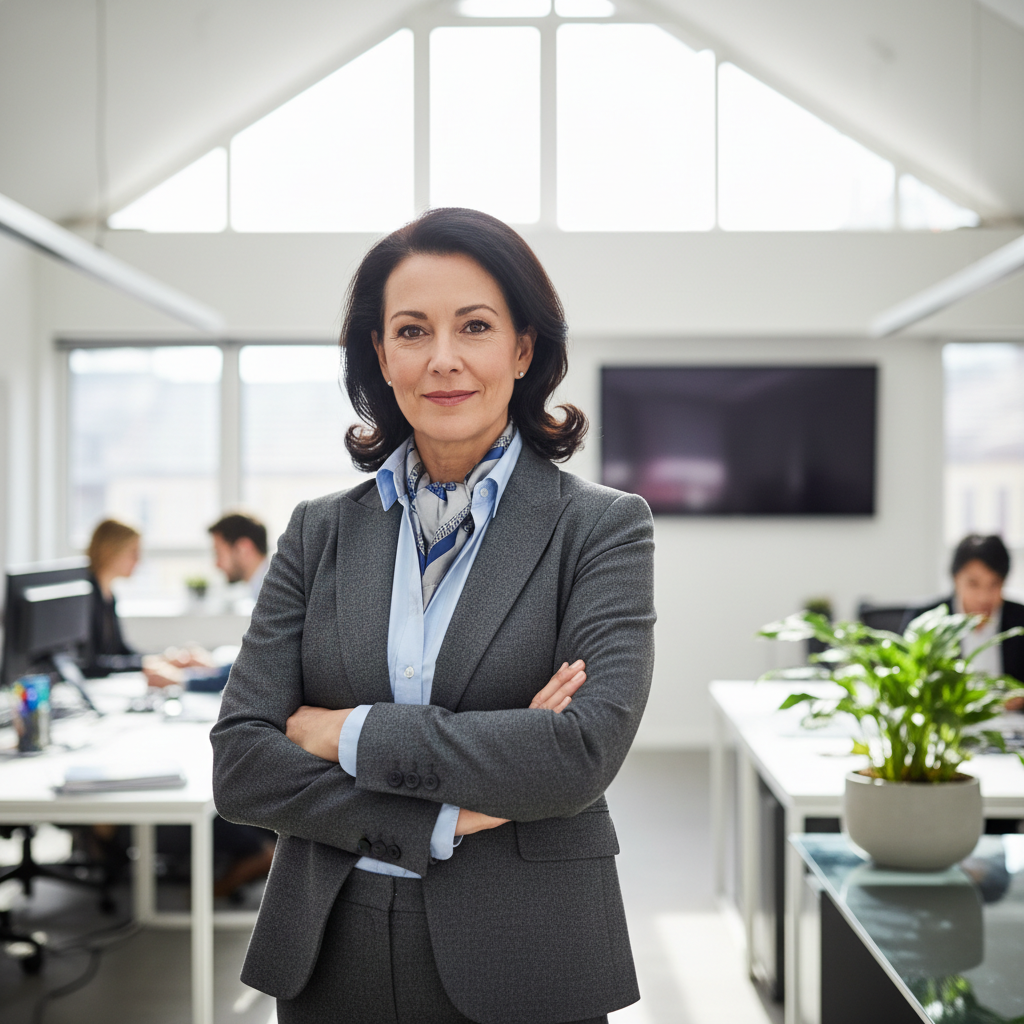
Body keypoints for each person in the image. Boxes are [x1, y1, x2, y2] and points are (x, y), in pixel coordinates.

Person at [211, 207, 656, 1024]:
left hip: (527, 945)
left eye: (475, 326)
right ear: (380, 354)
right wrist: (448, 815)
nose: (443, 360)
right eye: (412, 331)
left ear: (523, 348)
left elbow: (580, 753)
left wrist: (342, 732)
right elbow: (242, 765)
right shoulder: (319, 530)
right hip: (329, 943)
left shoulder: (601, 527)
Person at [145, 512, 269, 692]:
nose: (216, 564)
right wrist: (213, 667)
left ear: (244, 548)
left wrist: (181, 680)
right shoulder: (263, 587)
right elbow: (259, 661)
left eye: (219, 553)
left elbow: (258, 672)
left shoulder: (272, 594)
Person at [901, 534, 1024, 693]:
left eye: (994, 584)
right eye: (974, 584)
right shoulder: (926, 619)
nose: (983, 596)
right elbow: (905, 680)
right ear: (955, 578)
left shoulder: (1020, 620)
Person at [81, 518, 145, 677]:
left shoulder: (109, 595)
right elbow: (89, 662)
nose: (138, 560)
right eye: (133, 552)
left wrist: (156, 660)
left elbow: (120, 650)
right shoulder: (85, 595)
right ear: (111, 550)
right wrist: (143, 666)